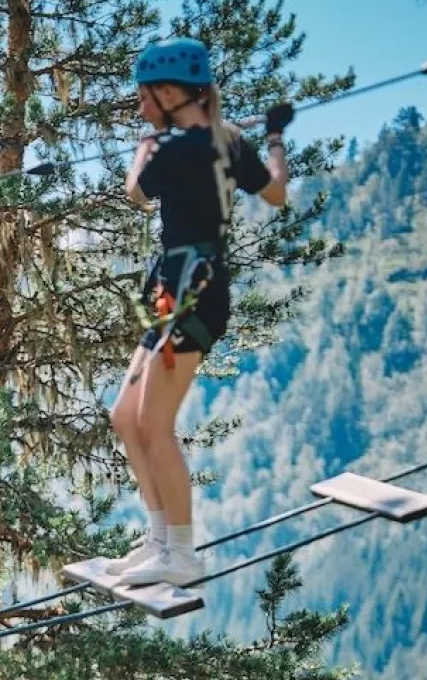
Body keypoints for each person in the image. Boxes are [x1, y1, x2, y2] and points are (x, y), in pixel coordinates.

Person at [103, 37, 289, 588]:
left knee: (153, 425)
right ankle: (160, 538)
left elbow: (136, 193)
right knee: (125, 417)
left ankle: (181, 553)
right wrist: (274, 138)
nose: (140, 106)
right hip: (181, 293)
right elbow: (277, 193)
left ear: (168, 93)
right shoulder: (228, 142)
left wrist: (144, 147)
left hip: (191, 296)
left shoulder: (174, 149)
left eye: (144, 96)